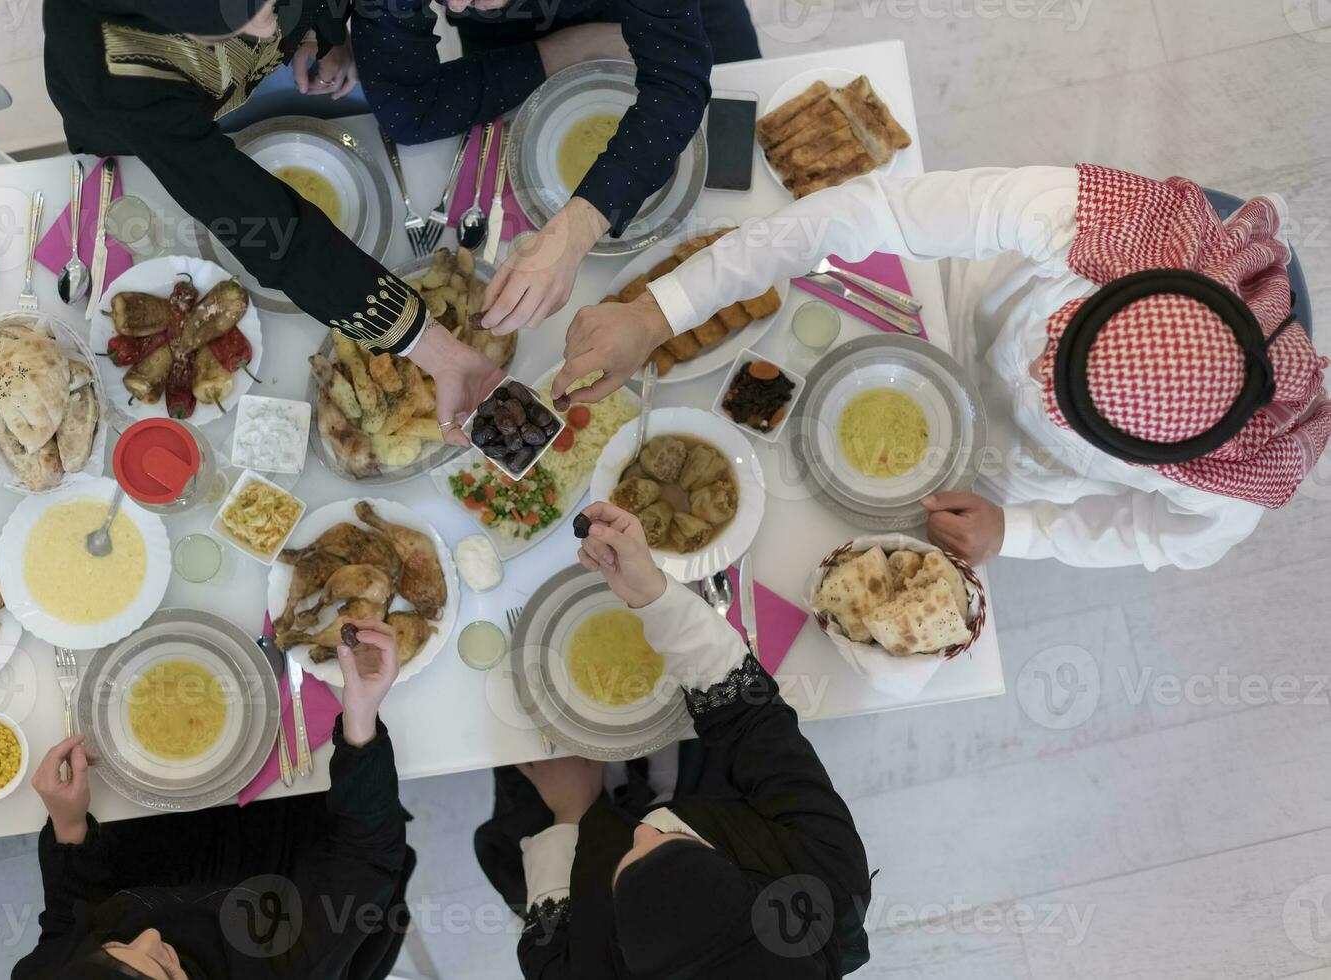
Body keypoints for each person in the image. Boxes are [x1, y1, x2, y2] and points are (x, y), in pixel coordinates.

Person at [554, 165, 1331, 570]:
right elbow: (872, 211)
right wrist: (659, 311)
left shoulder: (1229, 483)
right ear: (1117, 287)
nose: (1035, 377)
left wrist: (1018, 531)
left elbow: (1157, 537)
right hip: (950, 312)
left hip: (1004, 481)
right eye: (1056, 351)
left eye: (1059, 398)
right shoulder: (1096, 224)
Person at [42, 0, 504, 443]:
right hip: (150, 129)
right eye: (259, 13)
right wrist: (433, 349)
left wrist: (322, 29)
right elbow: (273, 231)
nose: (270, 26)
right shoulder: (117, 73)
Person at [474, 502, 873, 978]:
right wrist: (654, 596)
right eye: (675, 844)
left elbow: (550, 938)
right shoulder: (826, 871)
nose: (642, 829)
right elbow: (752, 719)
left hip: (579, 833)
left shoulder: (579, 969)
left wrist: (570, 812)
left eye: (631, 861)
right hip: (726, 803)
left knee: (522, 746)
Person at [13, 619, 411, 980]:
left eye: (114, 948)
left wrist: (69, 827)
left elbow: (69, 923)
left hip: (146, 858)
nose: (150, 936)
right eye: (165, 970)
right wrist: (360, 718)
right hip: (267, 869)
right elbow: (367, 856)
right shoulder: (290, 967)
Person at [353, 0, 761, 334]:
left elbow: (677, 83)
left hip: (683, 25)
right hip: (520, 41)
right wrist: (570, 49)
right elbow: (409, 110)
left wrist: (573, 233)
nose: (455, 5)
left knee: (746, 179)